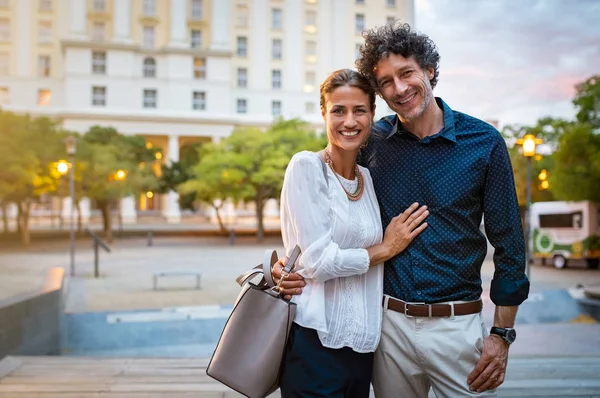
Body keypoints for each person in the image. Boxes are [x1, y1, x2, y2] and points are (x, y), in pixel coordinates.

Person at [274, 22, 529, 398]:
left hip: (457, 326)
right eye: (386, 81)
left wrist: (502, 334)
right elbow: (321, 198)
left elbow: (509, 243)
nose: (400, 88)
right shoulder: (370, 140)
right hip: (385, 329)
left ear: (428, 70)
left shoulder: (484, 143)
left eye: (406, 73)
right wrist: (285, 267)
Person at [278, 68, 429, 398]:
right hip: (316, 343)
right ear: (323, 113)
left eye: (359, 110)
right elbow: (318, 261)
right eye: (338, 110)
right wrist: (386, 249)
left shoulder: (369, 178)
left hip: (363, 349)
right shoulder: (306, 167)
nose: (349, 121)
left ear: (373, 114)